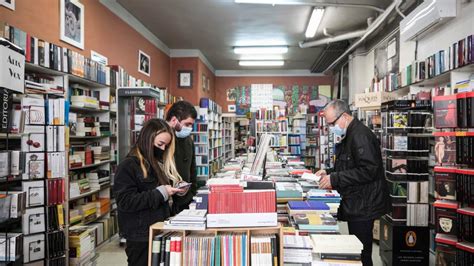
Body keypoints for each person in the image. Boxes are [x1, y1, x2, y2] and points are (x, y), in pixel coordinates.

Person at [317, 99, 391, 266]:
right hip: (358, 201)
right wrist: (329, 172)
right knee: (356, 249)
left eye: (332, 123)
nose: (331, 127)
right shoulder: (350, 133)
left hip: (365, 203)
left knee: (361, 252)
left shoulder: (360, 136)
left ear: (344, 116)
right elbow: (349, 165)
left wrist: (334, 179)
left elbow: (369, 170)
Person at [114, 118, 188, 266]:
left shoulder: (154, 163)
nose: (162, 149)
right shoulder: (128, 165)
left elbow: (160, 193)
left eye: (165, 146)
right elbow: (125, 201)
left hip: (159, 230)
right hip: (140, 236)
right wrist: (161, 193)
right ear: (148, 139)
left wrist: (176, 190)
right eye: (160, 144)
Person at [165, 101, 198, 214]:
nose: (190, 128)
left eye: (191, 125)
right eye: (187, 124)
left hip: (185, 202)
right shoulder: (161, 141)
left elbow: (193, 170)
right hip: (165, 202)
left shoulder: (188, 141)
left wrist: (192, 193)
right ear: (174, 120)